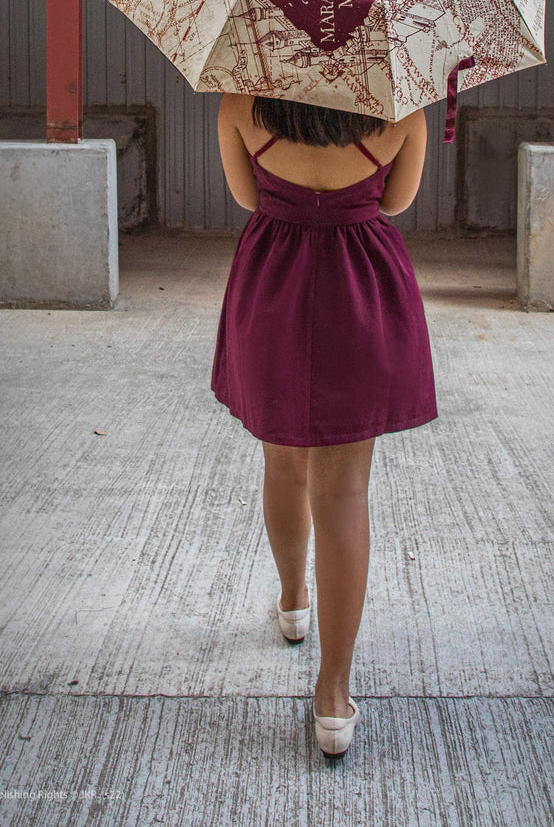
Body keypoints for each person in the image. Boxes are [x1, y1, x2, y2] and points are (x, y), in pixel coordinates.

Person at [212, 91, 436, 758]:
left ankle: (291, 602)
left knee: (282, 461)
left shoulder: (239, 104)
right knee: (344, 492)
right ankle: (333, 697)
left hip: (273, 280)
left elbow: (248, 199)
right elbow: (394, 204)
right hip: (360, 287)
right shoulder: (402, 110)